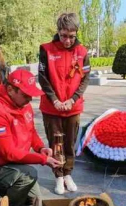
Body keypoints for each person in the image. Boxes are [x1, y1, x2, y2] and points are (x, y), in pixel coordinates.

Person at [0, 69, 61, 206]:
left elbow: (31, 131)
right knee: (29, 175)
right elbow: (9, 153)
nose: (29, 100)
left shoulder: (23, 104)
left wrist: (40, 148)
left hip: (11, 163)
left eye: (31, 95)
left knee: (32, 198)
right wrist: (43, 160)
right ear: (10, 89)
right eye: (26, 95)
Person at [38, 12, 90, 195]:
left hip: (72, 107)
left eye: (71, 36)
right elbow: (42, 78)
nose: (67, 40)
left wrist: (72, 99)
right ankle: (58, 176)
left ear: (76, 33)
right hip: (51, 107)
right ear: (58, 31)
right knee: (55, 143)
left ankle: (68, 173)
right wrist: (54, 100)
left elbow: (85, 78)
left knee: (70, 142)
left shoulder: (82, 52)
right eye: (63, 36)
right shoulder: (46, 49)